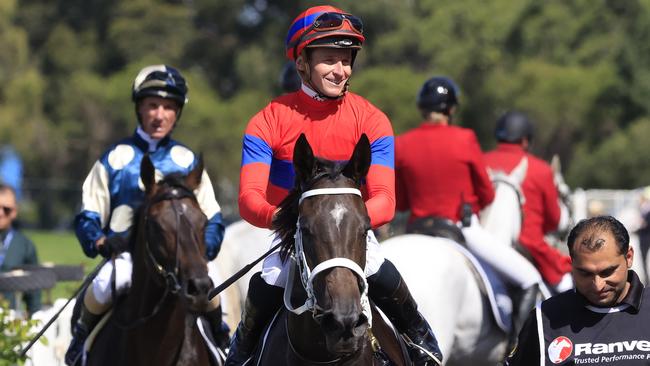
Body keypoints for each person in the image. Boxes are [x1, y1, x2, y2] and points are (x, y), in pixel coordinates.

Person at [229, 5, 442, 365]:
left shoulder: (372, 120)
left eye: (346, 60)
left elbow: (385, 201)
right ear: (301, 63)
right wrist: (289, 220)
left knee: (382, 272)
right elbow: (249, 198)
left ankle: (420, 342)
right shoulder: (267, 120)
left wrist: (343, 223)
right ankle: (241, 352)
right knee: (267, 283)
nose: (340, 70)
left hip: (352, 235)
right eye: (329, 60)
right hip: (296, 234)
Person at [65, 65, 227, 365]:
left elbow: (213, 218)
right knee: (104, 284)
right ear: (139, 108)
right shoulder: (114, 158)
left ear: (177, 113)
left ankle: (223, 342)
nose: (159, 114)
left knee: (212, 283)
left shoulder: (188, 161)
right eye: (152, 105)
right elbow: (87, 213)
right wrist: (100, 242)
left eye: (168, 107)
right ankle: (80, 344)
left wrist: (202, 251)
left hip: (182, 259)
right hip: (127, 258)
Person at [394, 76, 542, 349]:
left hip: (415, 229)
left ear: (422, 109)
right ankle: (517, 353)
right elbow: (486, 193)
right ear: (451, 109)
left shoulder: (401, 143)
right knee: (529, 278)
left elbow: (400, 203)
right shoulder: (465, 138)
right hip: (461, 229)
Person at [505, 215, 649, 365]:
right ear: (572, 264)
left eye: (607, 272)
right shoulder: (545, 318)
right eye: (585, 273)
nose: (598, 285)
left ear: (629, 257)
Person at [484, 111, 573, 292]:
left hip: (482, 245)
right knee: (568, 287)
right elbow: (553, 220)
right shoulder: (541, 169)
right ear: (525, 140)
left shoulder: (481, 160)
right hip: (529, 248)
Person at [0, 184, 41, 315]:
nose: (0, 213)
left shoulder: (25, 246)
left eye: (6, 209)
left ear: (14, 212)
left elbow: (34, 293)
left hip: (10, 321)